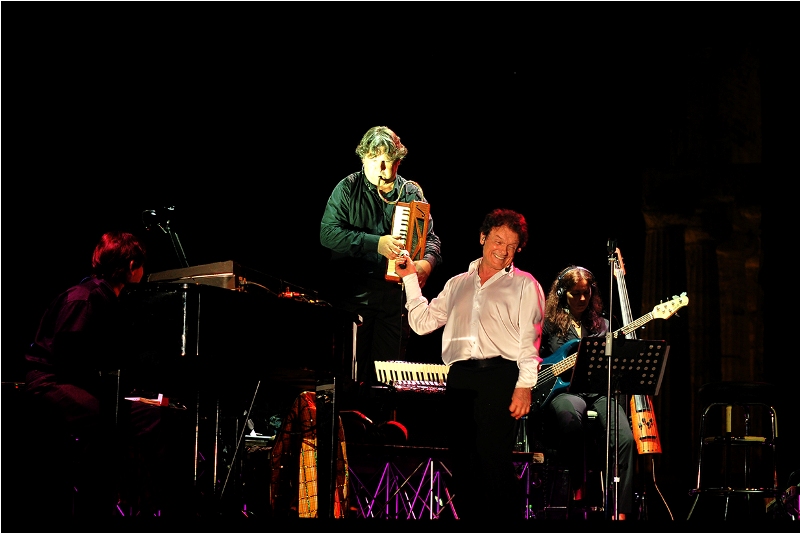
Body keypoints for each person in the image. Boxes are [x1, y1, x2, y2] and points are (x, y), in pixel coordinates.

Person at [22, 231, 189, 517]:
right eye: (142, 266)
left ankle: (142, 499)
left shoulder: (106, 298)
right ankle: (150, 502)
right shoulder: (85, 299)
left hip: (75, 381)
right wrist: (119, 392)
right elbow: (70, 363)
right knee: (132, 417)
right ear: (132, 265)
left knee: (143, 413)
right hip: (50, 383)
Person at [393, 208, 545, 519]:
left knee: (494, 462)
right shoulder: (457, 284)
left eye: (511, 246)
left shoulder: (525, 285)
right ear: (482, 237)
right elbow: (422, 323)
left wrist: (525, 385)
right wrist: (409, 278)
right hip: (460, 378)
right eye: (498, 241)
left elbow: (530, 340)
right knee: (463, 464)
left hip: (500, 377)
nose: (503, 250)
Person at [319, 125, 443, 389]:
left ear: (399, 161)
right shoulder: (347, 188)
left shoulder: (410, 192)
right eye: (377, 162)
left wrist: (426, 264)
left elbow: (431, 240)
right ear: (364, 158)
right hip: (354, 296)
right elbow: (328, 234)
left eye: (390, 162)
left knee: (389, 379)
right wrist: (376, 244)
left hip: (394, 300)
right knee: (349, 377)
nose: (384, 170)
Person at [537, 265, 636, 520]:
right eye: (575, 293)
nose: (582, 298)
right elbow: (531, 357)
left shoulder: (603, 325)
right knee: (571, 424)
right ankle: (577, 487)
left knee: (625, 439)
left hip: (597, 392)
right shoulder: (547, 323)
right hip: (565, 391)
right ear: (562, 293)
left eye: (586, 292)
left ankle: (620, 511)